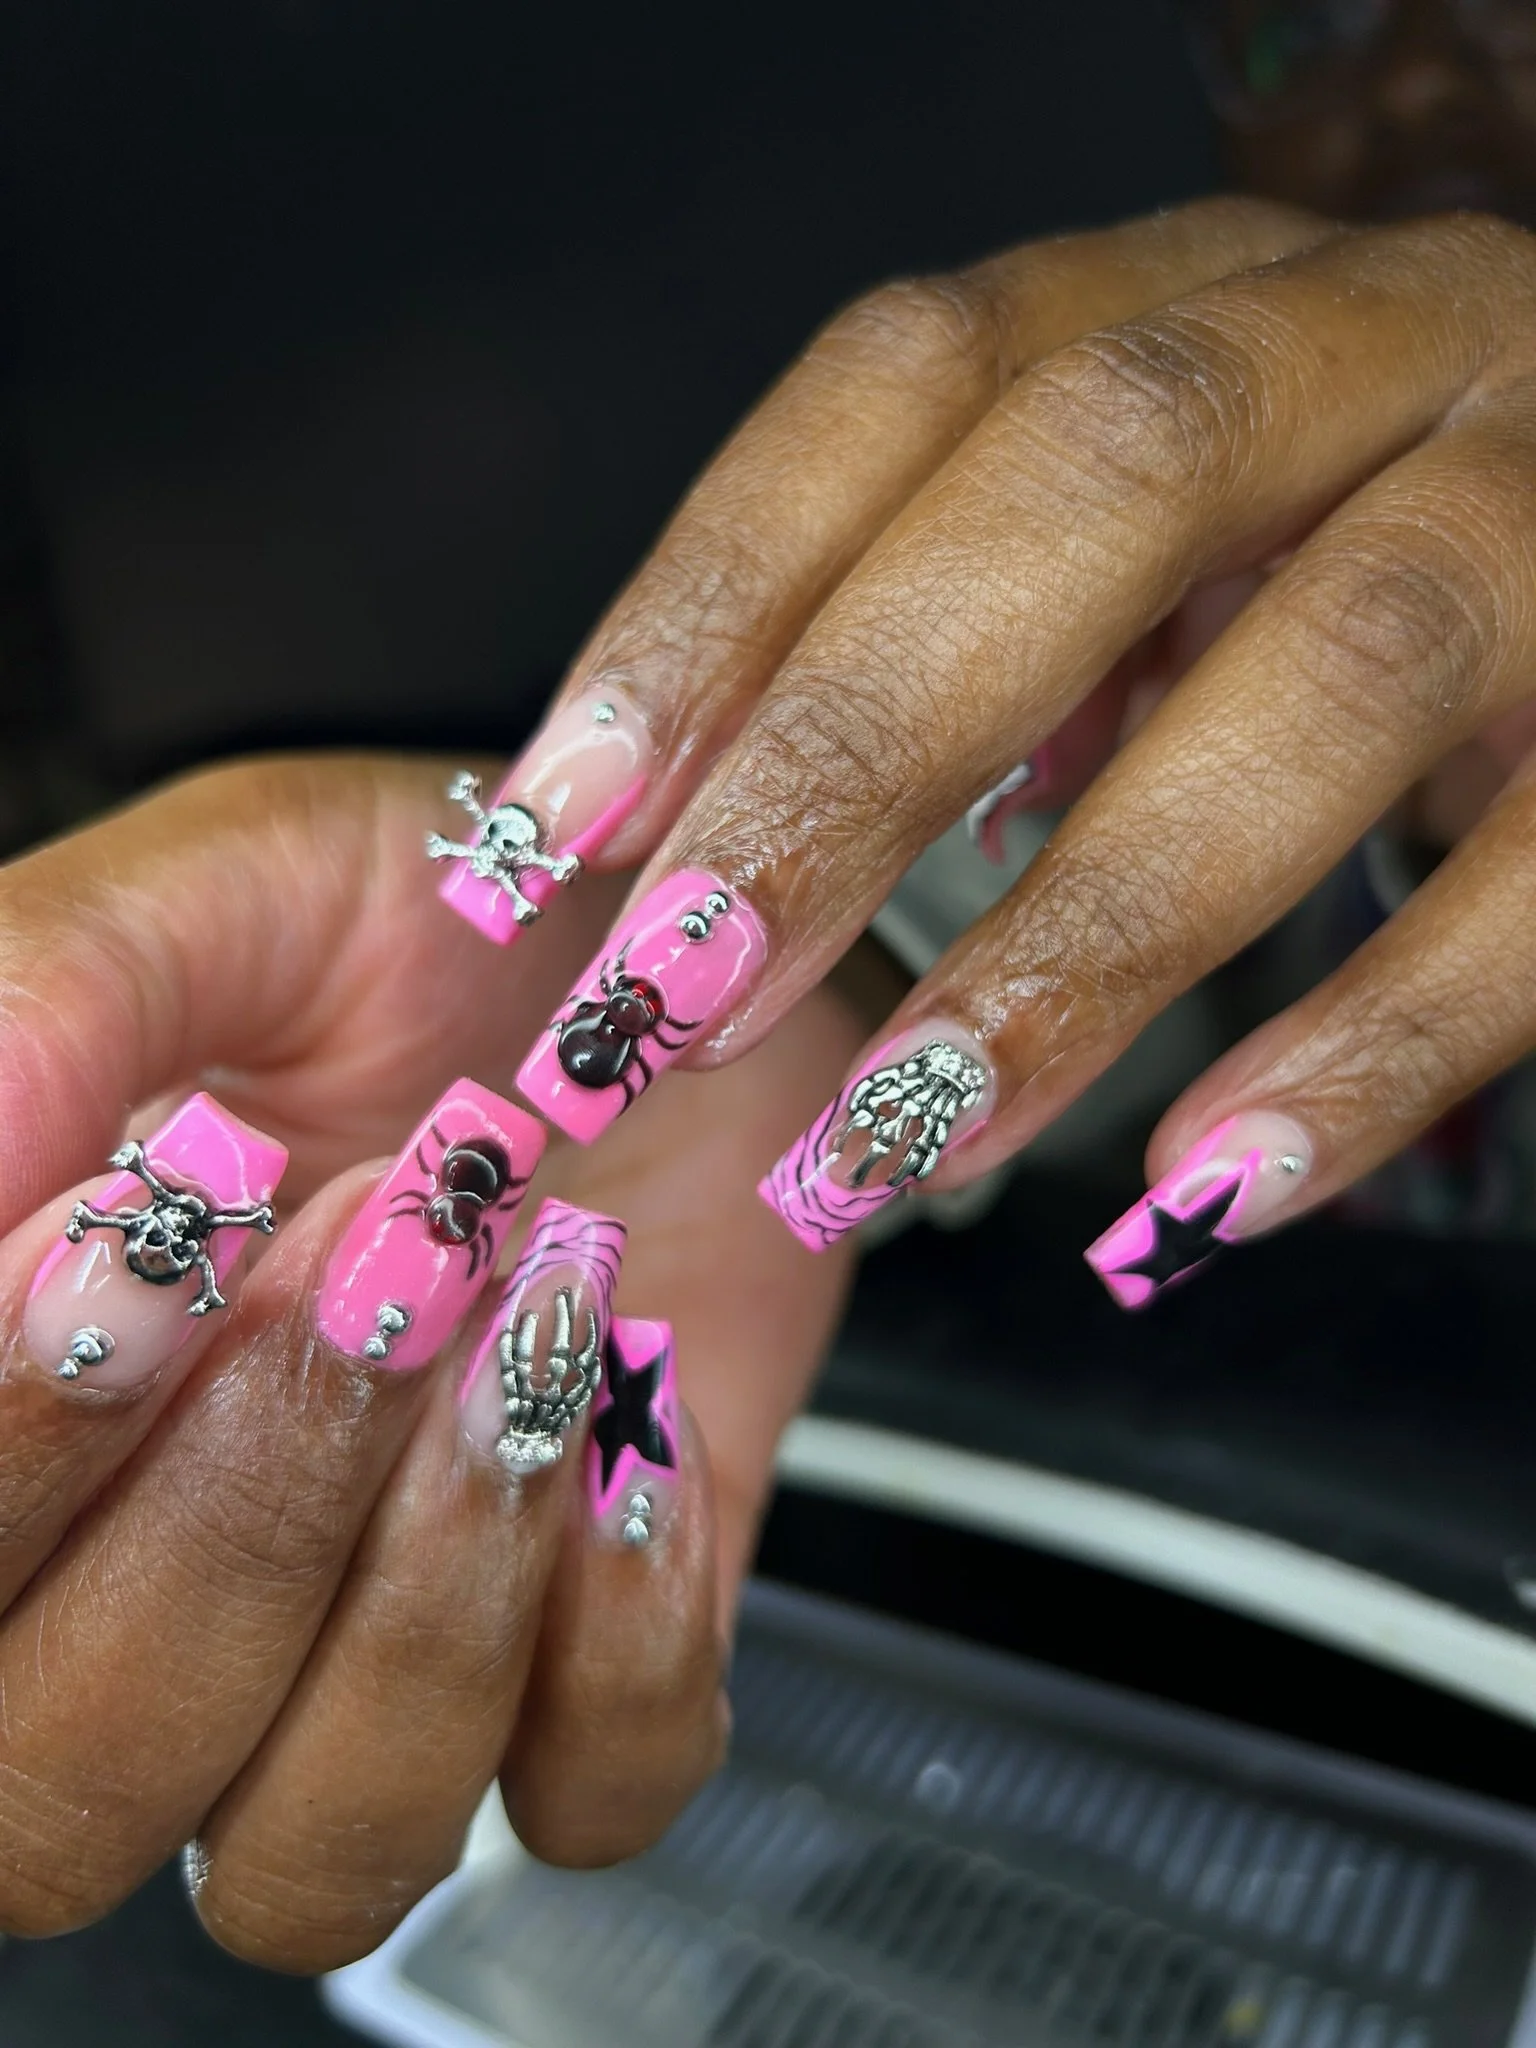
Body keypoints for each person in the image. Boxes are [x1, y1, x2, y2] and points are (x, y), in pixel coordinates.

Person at [3, 0, 1536, 1971]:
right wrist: (774, 1016)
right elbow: (989, 991)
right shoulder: (1115, 709)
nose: (1410, 77)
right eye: (1288, 27)